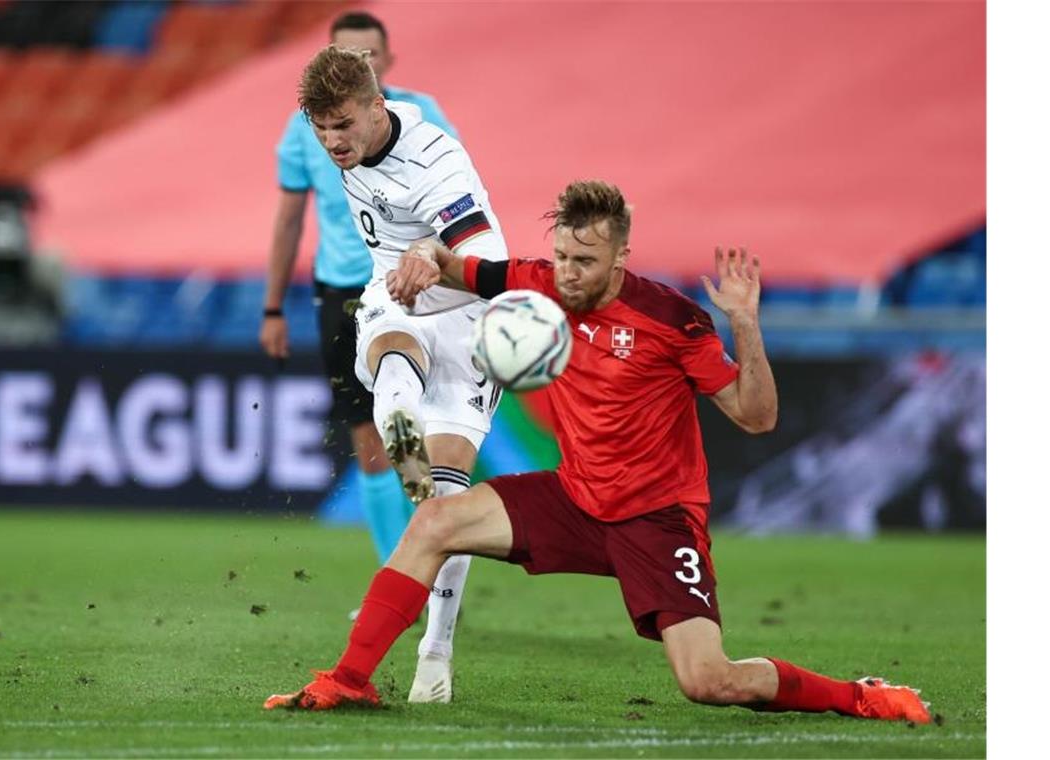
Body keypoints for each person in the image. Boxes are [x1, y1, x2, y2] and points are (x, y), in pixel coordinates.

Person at [263, 180, 931, 724]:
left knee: (709, 680)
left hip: (656, 520)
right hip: (575, 499)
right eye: (560, 257)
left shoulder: (673, 321)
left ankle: (859, 695)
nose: (567, 274)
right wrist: (423, 253)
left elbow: (757, 417)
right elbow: (456, 265)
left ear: (620, 257)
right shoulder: (540, 284)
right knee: (437, 519)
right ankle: (350, 681)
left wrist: (746, 325)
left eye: (584, 262)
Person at [265, 42, 510, 704]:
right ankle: (399, 413)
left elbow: (486, 249)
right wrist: (410, 265)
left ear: (379, 105)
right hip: (396, 298)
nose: (331, 140)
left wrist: (434, 252)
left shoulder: (436, 160)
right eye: (320, 129)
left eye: (342, 124)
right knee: (389, 341)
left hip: (468, 315)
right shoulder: (345, 150)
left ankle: (436, 649)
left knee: (446, 507)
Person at [261, 11, 458, 581]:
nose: (356, 66)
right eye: (345, 57)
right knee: (371, 437)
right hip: (344, 292)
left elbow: (454, 200)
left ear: (386, 64)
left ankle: (436, 563)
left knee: (423, 431)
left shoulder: (423, 118)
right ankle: (399, 577)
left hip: (416, 287)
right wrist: (273, 307)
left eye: (366, 58)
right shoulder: (305, 131)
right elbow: (288, 221)